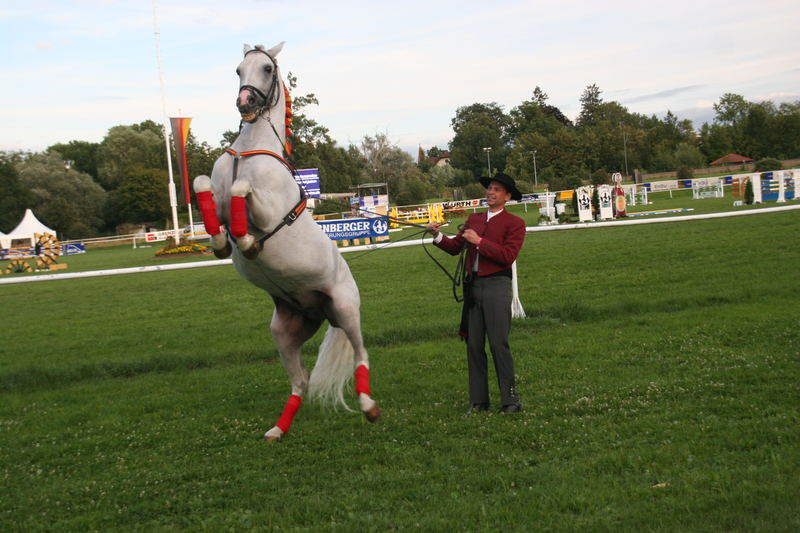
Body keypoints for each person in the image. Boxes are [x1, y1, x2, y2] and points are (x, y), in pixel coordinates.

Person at [427, 172, 526, 414]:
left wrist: (479, 241)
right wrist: (436, 235)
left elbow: (506, 256)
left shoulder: (515, 224)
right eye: (489, 188)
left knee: (498, 344)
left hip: (497, 287)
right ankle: (479, 400)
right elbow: (454, 248)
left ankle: (510, 399)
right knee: (473, 345)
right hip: (474, 288)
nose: (490, 192)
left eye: (497, 190)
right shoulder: (474, 219)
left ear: (507, 196)